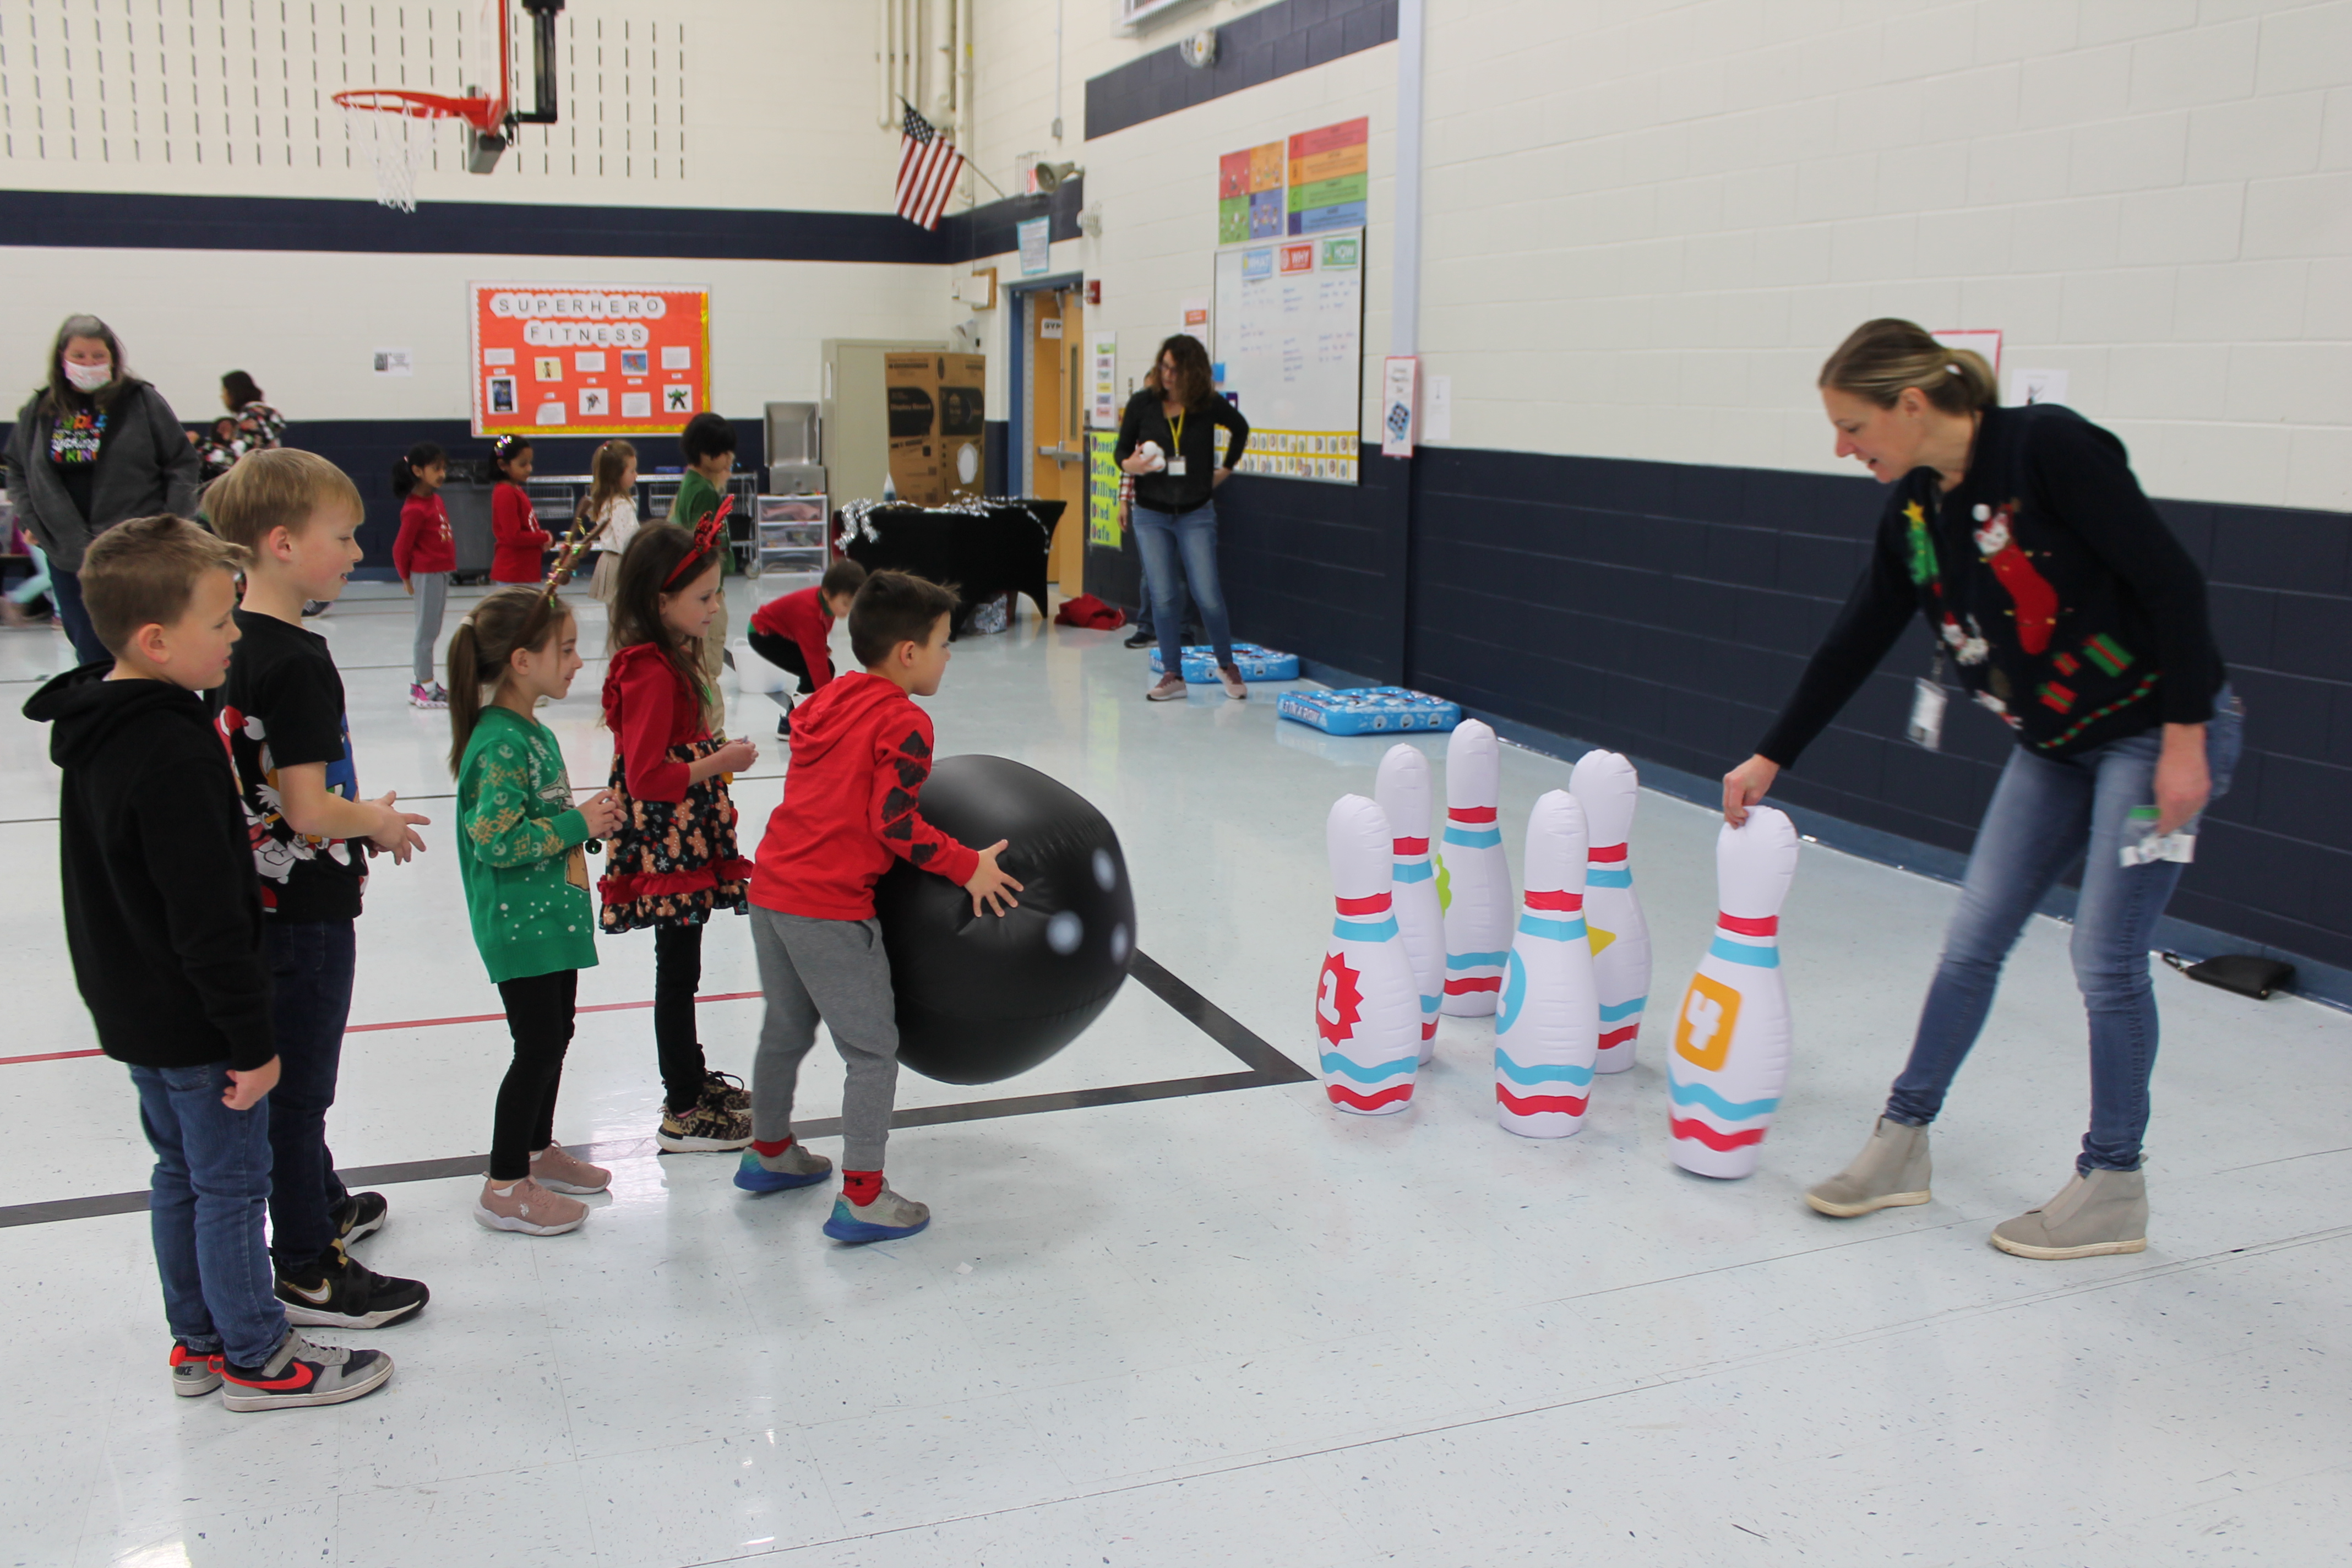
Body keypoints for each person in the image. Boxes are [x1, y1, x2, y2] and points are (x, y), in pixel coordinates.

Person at [1721, 319, 2241, 1261]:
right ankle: (1902, 1140)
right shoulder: (1916, 510)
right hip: (2052, 746)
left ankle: (2114, 1181)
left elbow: (2171, 582)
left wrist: (2186, 739)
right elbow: (1854, 636)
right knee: (1971, 941)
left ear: (1909, 405)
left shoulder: (2045, 449)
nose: (1842, 448)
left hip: (2151, 729)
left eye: (1852, 426)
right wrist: (1771, 755)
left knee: (2104, 957)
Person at [24, 514, 391, 1411]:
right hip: (199, 1020)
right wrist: (250, 1036)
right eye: (221, 622)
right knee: (232, 1185)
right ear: (157, 639)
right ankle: (260, 1356)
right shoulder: (177, 751)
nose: (236, 636)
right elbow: (208, 917)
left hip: (137, 1009)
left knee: (179, 1175)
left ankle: (197, 1340)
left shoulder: (100, 725)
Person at [208, 450, 435, 1326]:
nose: (354, 552)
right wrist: (369, 821)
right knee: (301, 1092)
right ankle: (306, 1262)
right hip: (300, 914)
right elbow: (305, 809)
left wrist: (340, 809)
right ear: (280, 543)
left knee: (296, 1085)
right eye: (340, 538)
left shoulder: (231, 640)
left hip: (261, 902)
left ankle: (321, 1199)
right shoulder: (297, 660)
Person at [738, 570, 1023, 1243]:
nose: (949, 656)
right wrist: (970, 865)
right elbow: (893, 823)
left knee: (784, 1030)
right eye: (944, 644)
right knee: (871, 1052)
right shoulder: (905, 719)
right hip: (828, 909)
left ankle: (769, 1152)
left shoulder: (828, 698)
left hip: (771, 888)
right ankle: (863, 1196)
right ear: (907, 654)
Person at [448, 585, 627, 1235]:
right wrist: (574, 822)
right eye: (569, 649)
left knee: (558, 1035)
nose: (580, 661)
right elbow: (496, 840)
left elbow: (540, 818)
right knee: (538, 1044)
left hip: (550, 917)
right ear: (522, 660)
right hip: (520, 924)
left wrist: (585, 820)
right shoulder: (498, 742)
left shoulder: (529, 730)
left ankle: (534, 1149)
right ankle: (503, 1183)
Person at [599, 518, 759, 1152]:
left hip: (683, 832)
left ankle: (690, 1079)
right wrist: (717, 762)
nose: (715, 606)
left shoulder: (667, 659)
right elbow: (645, 776)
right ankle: (684, 1107)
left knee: (683, 969)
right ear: (660, 601)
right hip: (668, 840)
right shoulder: (651, 672)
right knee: (677, 973)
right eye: (703, 597)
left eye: (717, 594)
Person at [4, 314, 201, 665]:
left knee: (145, 645)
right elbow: (18, 468)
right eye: (80, 357)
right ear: (62, 359)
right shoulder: (40, 408)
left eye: (98, 357)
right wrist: (30, 519)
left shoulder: (141, 401)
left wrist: (174, 524)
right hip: (68, 552)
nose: (89, 364)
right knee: (90, 649)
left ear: (113, 359)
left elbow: (181, 463)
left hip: (137, 549)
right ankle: (102, 714)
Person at [1115, 334, 1250, 703]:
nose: (1168, 375)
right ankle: (1172, 674)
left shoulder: (1206, 405)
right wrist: (1132, 465)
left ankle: (1226, 663)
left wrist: (1225, 469)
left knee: (1207, 594)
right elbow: (1121, 452)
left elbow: (1240, 428)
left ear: (1192, 372)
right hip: (1151, 513)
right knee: (1164, 596)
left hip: (1195, 513)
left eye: (1175, 369)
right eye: (1164, 367)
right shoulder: (1143, 404)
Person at [747, 557, 866, 738]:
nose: (848, 610)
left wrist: (821, 645)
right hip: (763, 634)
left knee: (820, 670)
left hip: (778, 632)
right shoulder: (809, 612)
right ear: (827, 593)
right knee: (816, 672)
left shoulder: (826, 606)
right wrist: (831, 705)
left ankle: (800, 716)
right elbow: (817, 665)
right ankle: (792, 722)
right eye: (845, 603)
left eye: (853, 604)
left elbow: (818, 632)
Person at [671, 412, 736, 683]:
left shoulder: (691, 483)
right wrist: (713, 592)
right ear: (708, 456)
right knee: (708, 670)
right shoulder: (704, 492)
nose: (730, 458)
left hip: (694, 592)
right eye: (725, 453)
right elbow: (705, 547)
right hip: (707, 593)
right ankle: (714, 727)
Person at [390, 442, 454, 710]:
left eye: (443, 468)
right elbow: (400, 548)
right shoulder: (414, 508)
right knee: (425, 632)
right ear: (417, 471)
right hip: (425, 574)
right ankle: (425, 687)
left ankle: (422, 682)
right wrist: (406, 578)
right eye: (436, 469)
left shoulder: (435, 499)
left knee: (433, 628)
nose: (442, 474)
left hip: (440, 572)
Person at [192, 370, 287, 481]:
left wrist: (200, 446)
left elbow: (237, 457)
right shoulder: (259, 416)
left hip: (259, 484)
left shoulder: (254, 417)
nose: (222, 397)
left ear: (233, 393)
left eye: (224, 392)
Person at [580, 439, 641, 607]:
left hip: (611, 561)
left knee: (618, 621)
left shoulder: (606, 500)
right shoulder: (620, 504)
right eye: (632, 471)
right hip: (621, 565)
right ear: (616, 474)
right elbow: (627, 543)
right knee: (625, 621)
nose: (636, 475)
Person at [489, 434, 551, 584]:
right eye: (523, 464)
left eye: (530, 463)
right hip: (513, 572)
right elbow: (513, 536)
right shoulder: (505, 492)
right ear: (503, 465)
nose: (529, 469)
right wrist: (544, 537)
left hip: (524, 571)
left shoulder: (516, 489)